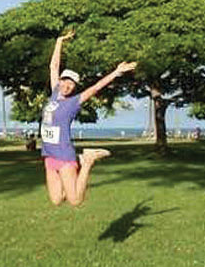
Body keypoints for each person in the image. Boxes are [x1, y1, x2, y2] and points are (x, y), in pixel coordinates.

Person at [41, 31, 136, 206]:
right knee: (56, 200)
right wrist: (59, 41)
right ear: (60, 81)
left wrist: (116, 72)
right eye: (65, 81)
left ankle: (88, 161)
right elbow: (53, 66)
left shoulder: (73, 103)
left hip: (63, 155)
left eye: (72, 84)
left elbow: (96, 87)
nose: (67, 86)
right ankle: (81, 162)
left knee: (75, 200)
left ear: (74, 88)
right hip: (49, 156)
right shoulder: (54, 93)